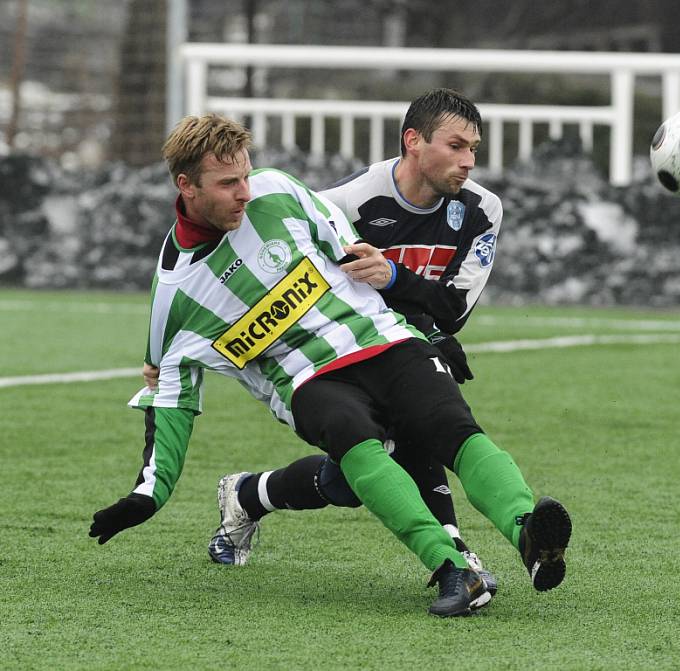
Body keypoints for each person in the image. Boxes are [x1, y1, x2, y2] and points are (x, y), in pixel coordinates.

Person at [93, 113, 572, 618]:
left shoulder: (277, 191)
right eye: (228, 183)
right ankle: (452, 566)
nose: (244, 193)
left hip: (382, 339)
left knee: (451, 427)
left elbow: (355, 259)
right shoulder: (175, 295)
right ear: (185, 186)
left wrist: (425, 330)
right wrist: (149, 494)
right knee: (357, 445)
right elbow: (171, 396)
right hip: (307, 378)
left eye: (246, 176)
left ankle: (527, 534)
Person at [144, 89, 503, 585]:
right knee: (390, 444)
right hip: (332, 351)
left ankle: (250, 495)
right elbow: (309, 274)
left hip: (392, 333)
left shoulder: (483, 208)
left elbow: (456, 308)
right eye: (457, 146)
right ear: (413, 141)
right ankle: (457, 553)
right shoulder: (346, 201)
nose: (468, 162)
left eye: (474, 149)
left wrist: (416, 312)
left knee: (372, 467)